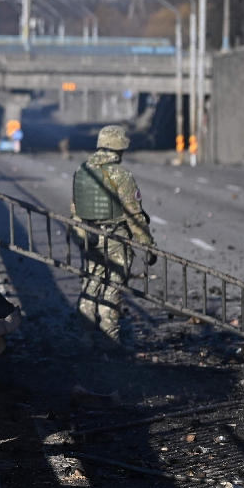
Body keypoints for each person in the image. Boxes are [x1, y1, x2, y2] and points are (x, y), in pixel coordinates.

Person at [71, 125, 157, 342]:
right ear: (120, 148)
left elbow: (75, 207)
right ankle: (110, 342)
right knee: (112, 289)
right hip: (115, 239)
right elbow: (134, 214)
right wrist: (147, 244)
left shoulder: (83, 170)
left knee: (90, 286)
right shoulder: (121, 175)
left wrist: (79, 235)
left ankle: (85, 340)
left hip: (89, 237)